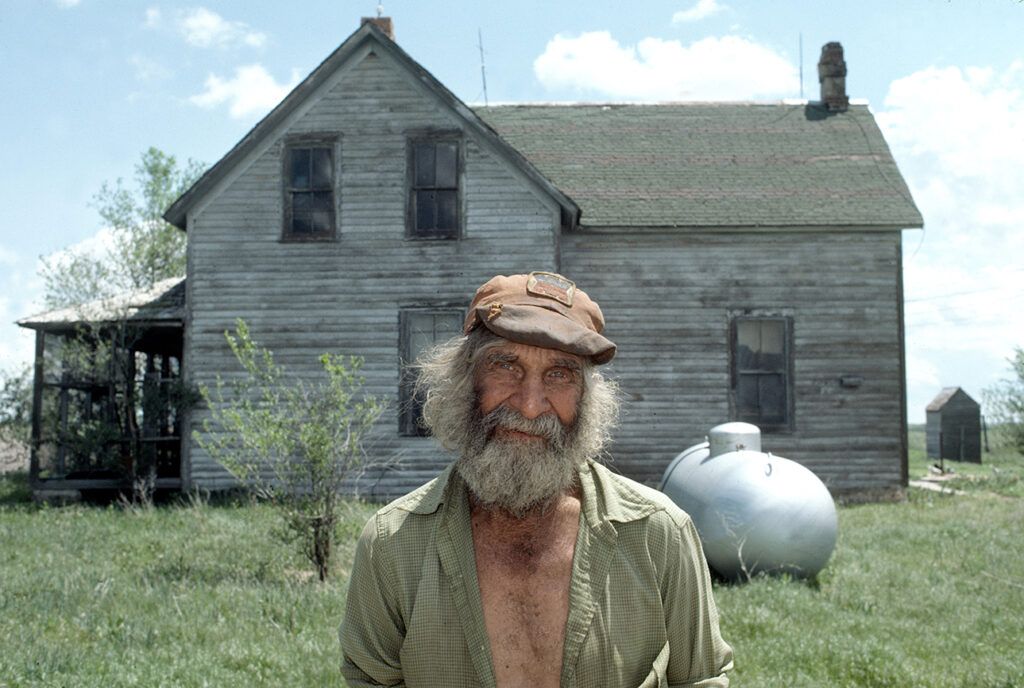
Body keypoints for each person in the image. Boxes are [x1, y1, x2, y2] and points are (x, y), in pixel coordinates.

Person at [340, 272, 733, 687]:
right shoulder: (392, 544)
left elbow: (702, 679)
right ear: (464, 380)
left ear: (587, 399)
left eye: (560, 374)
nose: (529, 406)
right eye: (505, 365)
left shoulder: (659, 533)